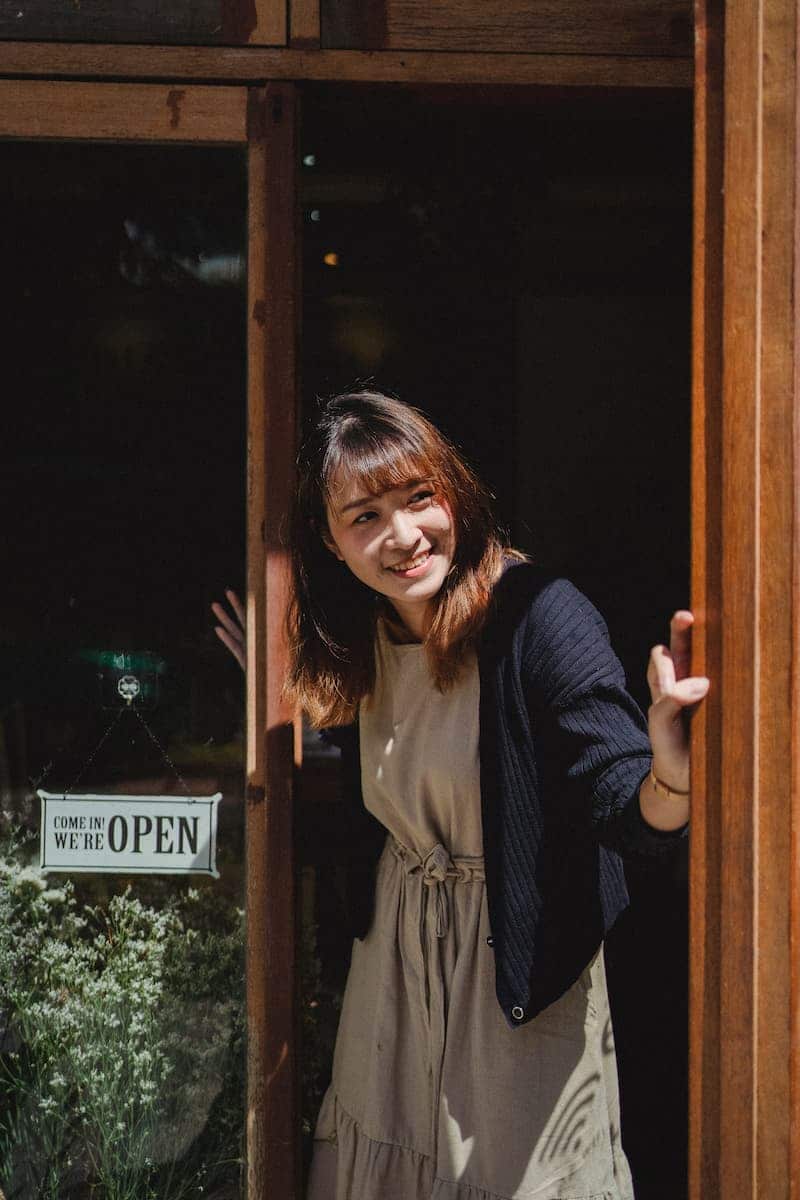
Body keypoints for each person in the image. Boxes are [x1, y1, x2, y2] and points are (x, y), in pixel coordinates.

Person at [213, 388, 709, 1200]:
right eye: (364, 516)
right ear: (333, 544)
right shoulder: (361, 634)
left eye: (419, 498)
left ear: (457, 493)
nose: (403, 536)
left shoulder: (541, 617)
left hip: (515, 974)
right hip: (394, 975)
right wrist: (276, 710)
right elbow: (375, 785)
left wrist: (673, 772)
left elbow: (630, 811)